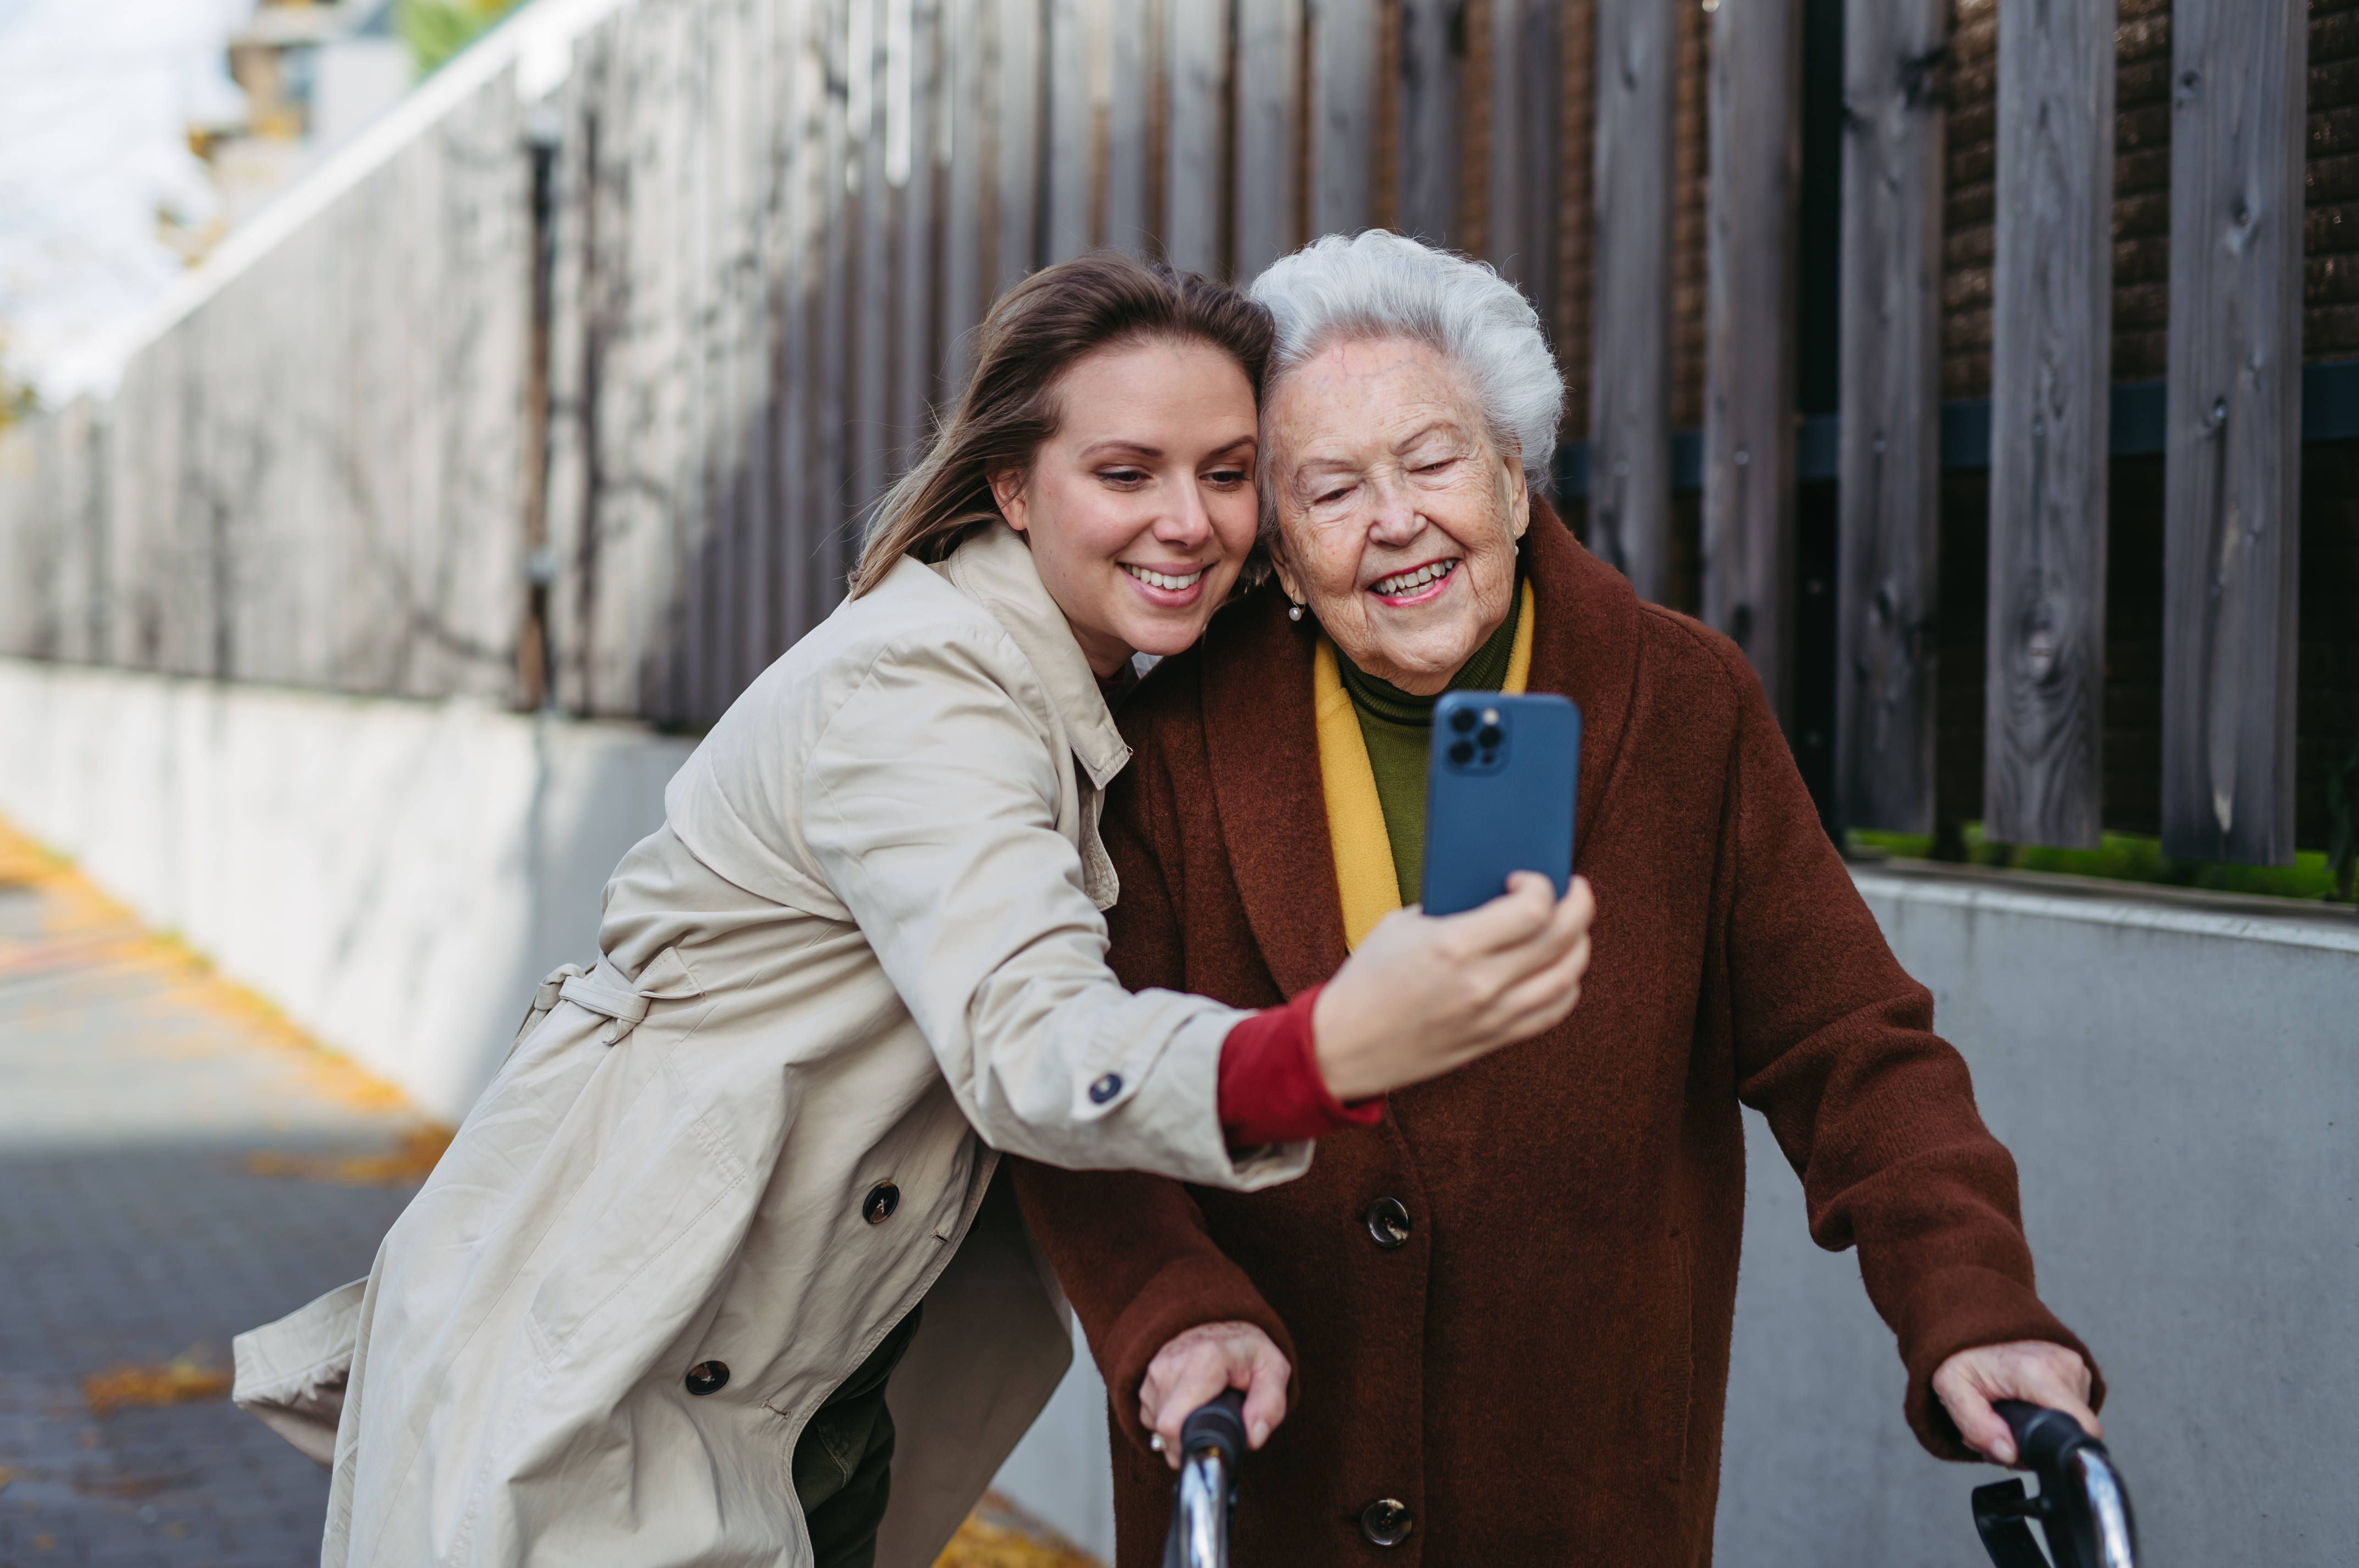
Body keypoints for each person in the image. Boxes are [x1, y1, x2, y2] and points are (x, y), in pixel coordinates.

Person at [230, 251, 1593, 1568]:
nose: (1190, 519)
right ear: (1010, 486)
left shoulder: (1085, 677)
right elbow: (1028, 1038)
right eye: (1126, 473)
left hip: (782, 1392)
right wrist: (1325, 1052)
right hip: (610, 1389)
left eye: (1228, 475)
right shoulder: (925, 693)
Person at [1013, 231, 2104, 1566]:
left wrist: (1973, 1299)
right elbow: (1087, 1095)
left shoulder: (1684, 705)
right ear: (1281, 558)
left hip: (1589, 1490)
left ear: (1515, 484)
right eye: (1331, 488)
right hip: (1270, 1478)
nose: (1396, 520)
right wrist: (1172, 1311)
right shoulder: (1172, 743)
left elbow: (1850, 1044)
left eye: (1433, 460)